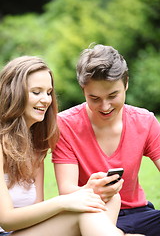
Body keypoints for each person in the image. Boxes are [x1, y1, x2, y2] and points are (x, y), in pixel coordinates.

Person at [0, 55, 123, 236]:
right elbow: (7, 219)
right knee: (87, 213)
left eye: (48, 92)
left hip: (23, 232)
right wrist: (64, 202)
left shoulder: (35, 147)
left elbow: (36, 212)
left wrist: (86, 193)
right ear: (13, 93)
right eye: (36, 92)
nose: (46, 100)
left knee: (109, 198)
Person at [52, 44, 160, 236]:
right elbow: (66, 190)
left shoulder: (145, 121)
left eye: (113, 95)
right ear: (83, 89)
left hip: (140, 213)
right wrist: (90, 189)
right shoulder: (65, 125)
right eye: (94, 98)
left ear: (126, 83)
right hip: (92, 214)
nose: (105, 106)